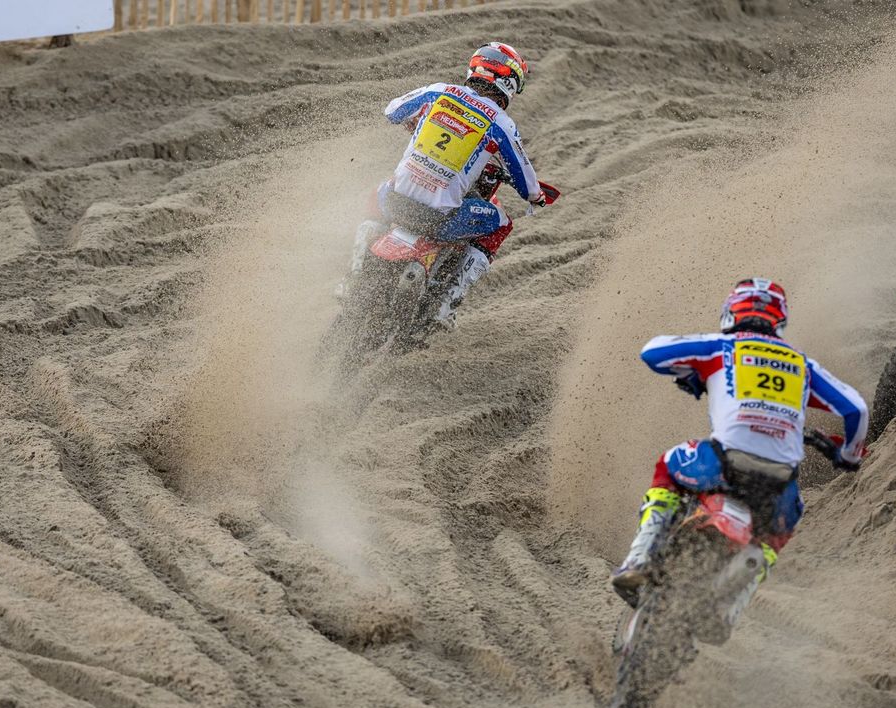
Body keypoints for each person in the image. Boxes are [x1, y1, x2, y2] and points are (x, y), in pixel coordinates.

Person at [611, 279, 869, 622]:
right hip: (781, 482)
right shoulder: (802, 365)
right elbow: (857, 411)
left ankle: (639, 559)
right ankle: (730, 609)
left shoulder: (721, 346)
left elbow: (652, 351)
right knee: (775, 536)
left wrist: (688, 371)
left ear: (731, 313)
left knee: (669, 465)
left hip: (723, 462)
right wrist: (848, 455)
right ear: (779, 319)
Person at [353, 42, 550, 328]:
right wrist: (538, 197)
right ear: (509, 82)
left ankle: (354, 275)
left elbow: (392, 111)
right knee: (502, 223)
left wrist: (417, 119)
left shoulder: (439, 91)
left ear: (474, 69)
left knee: (377, 193)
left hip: (395, 202)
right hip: (440, 218)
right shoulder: (500, 123)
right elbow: (527, 185)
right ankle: (446, 305)